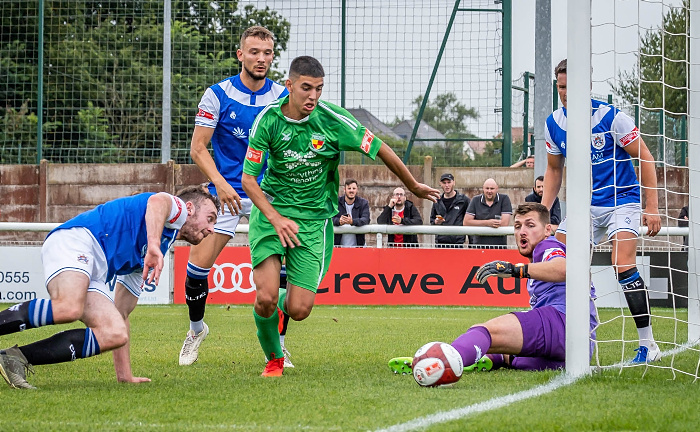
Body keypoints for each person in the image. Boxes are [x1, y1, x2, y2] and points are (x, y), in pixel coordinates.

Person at [241, 55, 440, 377]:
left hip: (314, 221)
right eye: (306, 88)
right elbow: (249, 179)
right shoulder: (268, 120)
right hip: (272, 214)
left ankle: (282, 300)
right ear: (289, 85)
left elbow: (380, 148)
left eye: (318, 89)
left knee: (299, 309)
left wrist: (412, 184)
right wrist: (275, 218)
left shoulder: (333, 120)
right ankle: (274, 360)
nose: (313, 97)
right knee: (262, 296)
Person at [0, 187, 220, 389]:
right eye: (209, 219)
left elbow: (122, 311)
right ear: (189, 208)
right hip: (77, 239)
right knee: (69, 308)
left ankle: (14, 358)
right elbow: (158, 201)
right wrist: (153, 245)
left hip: (96, 269)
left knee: (115, 332)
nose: (211, 229)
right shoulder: (176, 210)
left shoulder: (160, 245)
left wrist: (125, 375)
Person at [180, 26, 293, 367]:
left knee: (281, 274)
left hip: (269, 194)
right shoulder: (217, 94)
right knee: (196, 268)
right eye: (254, 51)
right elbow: (197, 148)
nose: (261, 58)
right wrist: (219, 182)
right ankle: (196, 329)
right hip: (224, 193)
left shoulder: (282, 97)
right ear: (240, 54)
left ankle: (279, 346)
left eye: (267, 53)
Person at [541, 58, 662, 364]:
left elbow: (645, 157)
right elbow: (554, 171)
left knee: (622, 264)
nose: (566, 92)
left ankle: (648, 344)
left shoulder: (612, 118)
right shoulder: (554, 123)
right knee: (556, 257)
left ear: (588, 86)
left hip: (623, 201)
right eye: (561, 86)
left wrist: (652, 207)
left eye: (571, 86)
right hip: (585, 207)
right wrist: (542, 215)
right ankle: (556, 333)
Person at [388, 203, 597, 374]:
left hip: (562, 322)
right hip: (578, 347)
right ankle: (487, 359)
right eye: (517, 226)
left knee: (484, 332)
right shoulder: (540, 260)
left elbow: (564, 269)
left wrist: (515, 270)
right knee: (510, 356)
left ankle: (441, 361)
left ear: (547, 230)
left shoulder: (547, 246)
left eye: (530, 225)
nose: (522, 232)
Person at [463, 178, 512, 247]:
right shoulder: (475, 200)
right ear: (483, 188)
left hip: (499, 246)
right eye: (487, 188)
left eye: (492, 189)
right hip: (478, 246)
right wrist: (488, 223)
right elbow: (466, 222)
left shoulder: (504, 199)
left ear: (497, 189)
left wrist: (478, 223)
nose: (489, 191)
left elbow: (504, 223)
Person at [430, 173, 469, 247]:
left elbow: (469, 220)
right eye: (444, 183)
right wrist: (436, 221)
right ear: (440, 184)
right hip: (440, 244)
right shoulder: (437, 202)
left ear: (454, 182)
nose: (446, 185)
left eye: (449, 182)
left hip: (457, 244)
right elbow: (432, 220)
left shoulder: (463, 200)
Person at [332, 178, 370, 247]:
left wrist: (352, 221)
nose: (351, 191)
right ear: (344, 189)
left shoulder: (363, 203)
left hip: (358, 246)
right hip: (338, 246)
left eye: (354, 188)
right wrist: (339, 221)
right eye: (349, 188)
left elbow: (366, 220)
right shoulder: (336, 202)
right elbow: (329, 219)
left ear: (357, 190)